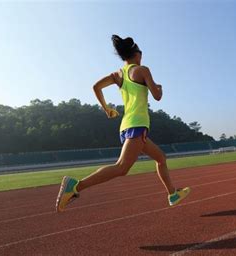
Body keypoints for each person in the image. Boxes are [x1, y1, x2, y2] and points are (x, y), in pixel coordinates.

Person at [55, 35, 191, 212]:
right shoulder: (142, 70)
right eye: (141, 52)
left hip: (126, 126)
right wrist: (159, 87)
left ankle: (172, 193)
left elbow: (96, 87)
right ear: (136, 54)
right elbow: (157, 96)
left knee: (161, 158)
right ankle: (75, 186)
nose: (142, 55)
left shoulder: (118, 75)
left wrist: (107, 109)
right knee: (122, 167)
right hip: (138, 125)